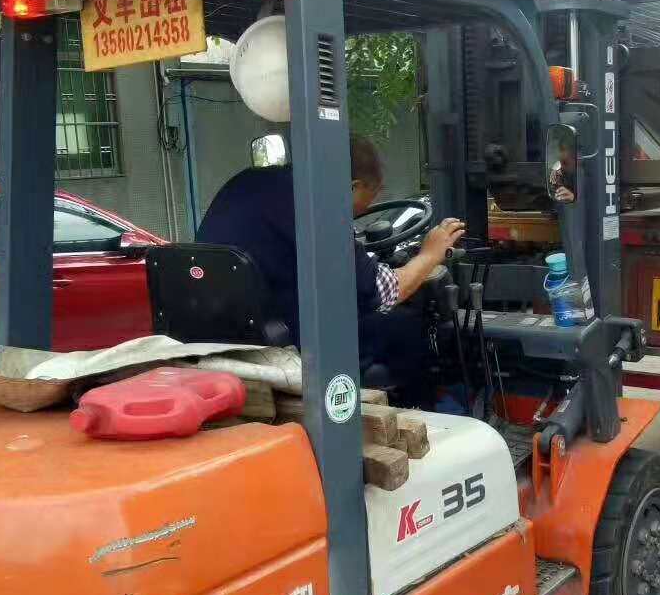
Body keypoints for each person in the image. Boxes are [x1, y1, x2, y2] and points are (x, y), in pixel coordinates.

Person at [198, 137, 464, 404]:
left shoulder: (249, 183)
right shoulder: (317, 202)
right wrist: (430, 254)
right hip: (289, 340)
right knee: (411, 325)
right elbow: (381, 292)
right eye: (371, 195)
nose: (366, 207)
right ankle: (424, 413)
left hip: (223, 329)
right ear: (352, 187)